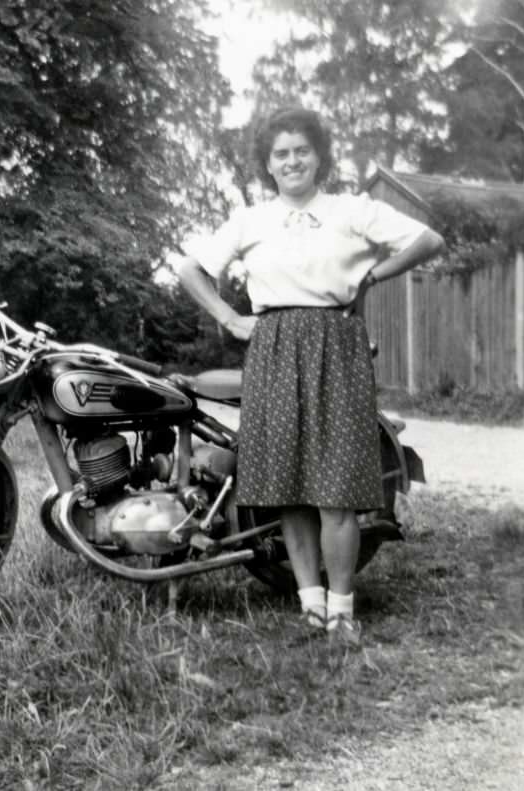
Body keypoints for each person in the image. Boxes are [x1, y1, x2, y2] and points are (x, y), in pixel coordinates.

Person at [172, 106, 444, 645]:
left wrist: (371, 275)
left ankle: (343, 610)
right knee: (289, 488)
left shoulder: (350, 210)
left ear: (319, 157)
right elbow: (190, 269)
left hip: (336, 347)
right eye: (281, 154)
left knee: (335, 490)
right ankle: (310, 605)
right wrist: (229, 317)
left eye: (302, 150)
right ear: (268, 165)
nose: (292, 161)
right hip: (272, 348)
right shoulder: (251, 220)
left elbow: (428, 240)